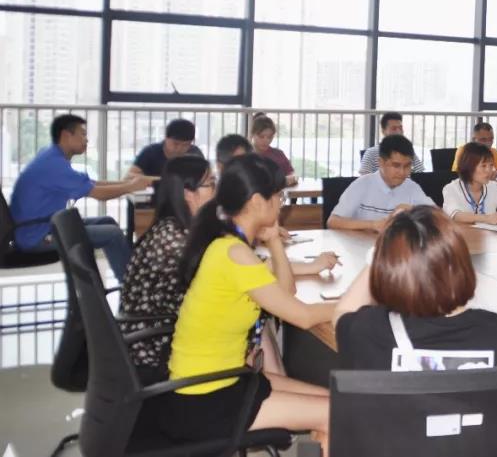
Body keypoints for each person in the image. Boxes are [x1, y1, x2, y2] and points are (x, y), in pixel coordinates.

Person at [157, 154, 334, 451]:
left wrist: (274, 240)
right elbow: (302, 316)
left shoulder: (229, 244)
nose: (282, 204)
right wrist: (355, 305)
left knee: (336, 401)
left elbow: (285, 292)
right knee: (335, 412)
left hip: (220, 380)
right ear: (257, 201)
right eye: (279, 197)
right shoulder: (234, 254)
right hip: (205, 397)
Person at [121, 156, 337, 379]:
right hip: (159, 348)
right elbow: (262, 274)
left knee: (260, 312)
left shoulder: (189, 230)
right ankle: (274, 384)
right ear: (188, 194)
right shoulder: (174, 239)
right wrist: (312, 268)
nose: (217, 191)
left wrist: (300, 260)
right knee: (260, 313)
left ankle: (275, 384)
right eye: (210, 184)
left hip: (190, 342)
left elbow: (261, 273)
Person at [335, 206, 497, 370]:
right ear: (462, 265)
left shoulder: (371, 332)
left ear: (389, 271)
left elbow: (342, 313)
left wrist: (383, 246)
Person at [10, 114, 151, 281]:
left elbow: (91, 183)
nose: (87, 140)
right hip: (37, 236)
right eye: (82, 134)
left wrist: (126, 183)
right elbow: (99, 194)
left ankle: (114, 280)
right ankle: (132, 285)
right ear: (66, 135)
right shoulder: (54, 165)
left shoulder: (51, 156)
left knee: (107, 221)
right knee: (112, 234)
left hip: (43, 226)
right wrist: (131, 187)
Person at [328, 135, 434, 232]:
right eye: (396, 165)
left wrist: (415, 211)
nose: (402, 172)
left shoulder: (412, 188)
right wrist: (373, 225)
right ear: (381, 163)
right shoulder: (362, 184)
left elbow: (437, 217)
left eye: (407, 166)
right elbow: (333, 222)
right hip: (361, 244)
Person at [127, 118, 204, 178]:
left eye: (185, 145)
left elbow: (205, 178)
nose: (179, 148)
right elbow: (130, 176)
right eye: (176, 144)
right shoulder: (150, 152)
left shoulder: (195, 154)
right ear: (166, 138)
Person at [359, 112, 424, 175]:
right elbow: (364, 178)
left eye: (400, 128)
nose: (399, 132)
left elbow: (421, 174)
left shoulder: (408, 151)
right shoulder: (371, 153)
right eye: (394, 129)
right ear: (383, 131)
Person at [250, 113, 298, 187]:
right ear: (252, 134)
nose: (266, 140)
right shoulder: (245, 155)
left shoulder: (278, 154)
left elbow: (292, 174)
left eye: (269, 137)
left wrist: (291, 178)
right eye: (261, 136)